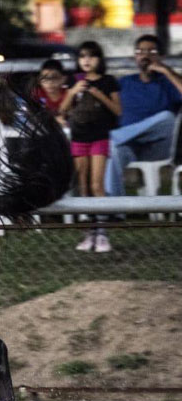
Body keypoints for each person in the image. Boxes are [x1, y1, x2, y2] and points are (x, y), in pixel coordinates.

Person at [105, 34, 182, 201]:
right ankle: (114, 210)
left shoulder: (168, 82)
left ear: (161, 56)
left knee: (167, 117)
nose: (145, 55)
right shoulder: (125, 82)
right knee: (113, 150)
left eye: (151, 51)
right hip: (131, 146)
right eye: (140, 51)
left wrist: (166, 70)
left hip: (160, 147)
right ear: (135, 57)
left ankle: (114, 137)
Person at [60, 41, 120, 252]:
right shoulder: (73, 80)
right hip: (79, 138)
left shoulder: (108, 81)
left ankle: (102, 233)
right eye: (82, 56)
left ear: (99, 60)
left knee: (97, 185)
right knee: (83, 186)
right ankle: (89, 233)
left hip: (99, 137)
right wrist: (72, 91)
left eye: (92, 56)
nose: (87, 60)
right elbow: (62, 111)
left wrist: (98, 94)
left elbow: (117, 110)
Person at [32, 59, 69, 127]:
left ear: (63, 79)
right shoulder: (36, 94)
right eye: (45, 78)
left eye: (54, 78)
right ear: (39, 80)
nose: (49, 82)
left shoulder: (68, 94)